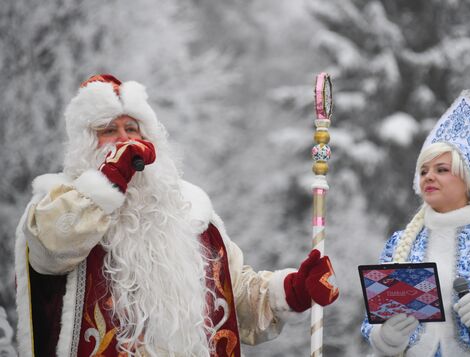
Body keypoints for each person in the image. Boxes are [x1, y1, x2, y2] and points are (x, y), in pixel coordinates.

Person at [14, 74, 339, 357]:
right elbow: (50, 249)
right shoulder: (59, 203)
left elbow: (235, 296)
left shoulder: (192, 212)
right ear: (86, 143)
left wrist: (293, 290)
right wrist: (108, 180)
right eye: (109, 130)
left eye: (132, 128)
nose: (125, 139)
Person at [360, 90, 470, 356]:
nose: (429, 177)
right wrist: (387, 336)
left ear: (468, 179)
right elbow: (369, 323)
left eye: (441, 170)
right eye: (423, 171)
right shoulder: (400, 243)